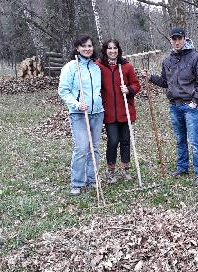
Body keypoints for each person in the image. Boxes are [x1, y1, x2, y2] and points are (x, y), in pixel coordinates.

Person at [144, 27, 198, 186]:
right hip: (174, 106)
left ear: (185, 39)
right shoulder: (167, 60)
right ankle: (182, 168)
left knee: (194, 141)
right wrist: (150, 77)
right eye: (174, 39)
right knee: (180, 140)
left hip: (190, 106)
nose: (177, 41)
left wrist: (196, 101)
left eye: (179, 38)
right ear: (170, 40)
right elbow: (166, 82)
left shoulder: (195, 58)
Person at [58, 35, 104, 195]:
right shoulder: (71, 67)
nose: (87, 48)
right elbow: (63, 90)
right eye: (83, 46)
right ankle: (77, 182)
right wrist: (77, 104)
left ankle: (93, 179)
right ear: (77, 48)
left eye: (90, 46)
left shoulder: (95, 67)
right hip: (79, 114)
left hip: (97, 113)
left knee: (94, 148)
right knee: (82, 148)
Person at [95, 39, 141, 183]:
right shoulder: (99, 66)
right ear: (105, 50)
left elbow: (136, 84)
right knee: (113, 141)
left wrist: (129, 89)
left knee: (125, 141)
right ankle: (111, 171)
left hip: (125, 111)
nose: (112, 51)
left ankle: (126, 168)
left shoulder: (126, 66)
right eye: (109, 48)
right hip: (109, 112)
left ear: (118, 50)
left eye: (115, 48)